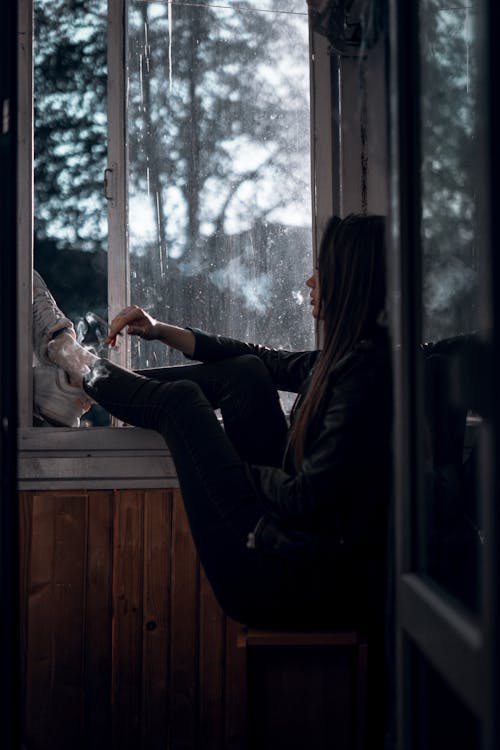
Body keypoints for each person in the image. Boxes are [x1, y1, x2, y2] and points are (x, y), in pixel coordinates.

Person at [32, 213, 392, 630]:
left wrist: (226, 468)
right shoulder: (350, 359)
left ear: (350, 282)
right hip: (287, 544)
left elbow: (305, 500)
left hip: (281, 576)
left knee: (183, 403)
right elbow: (262, 359)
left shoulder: (365, 379)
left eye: (320, 271)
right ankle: (78, 385)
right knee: (247, 372)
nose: (310, 283)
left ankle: (75, 365)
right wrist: (159, 329)